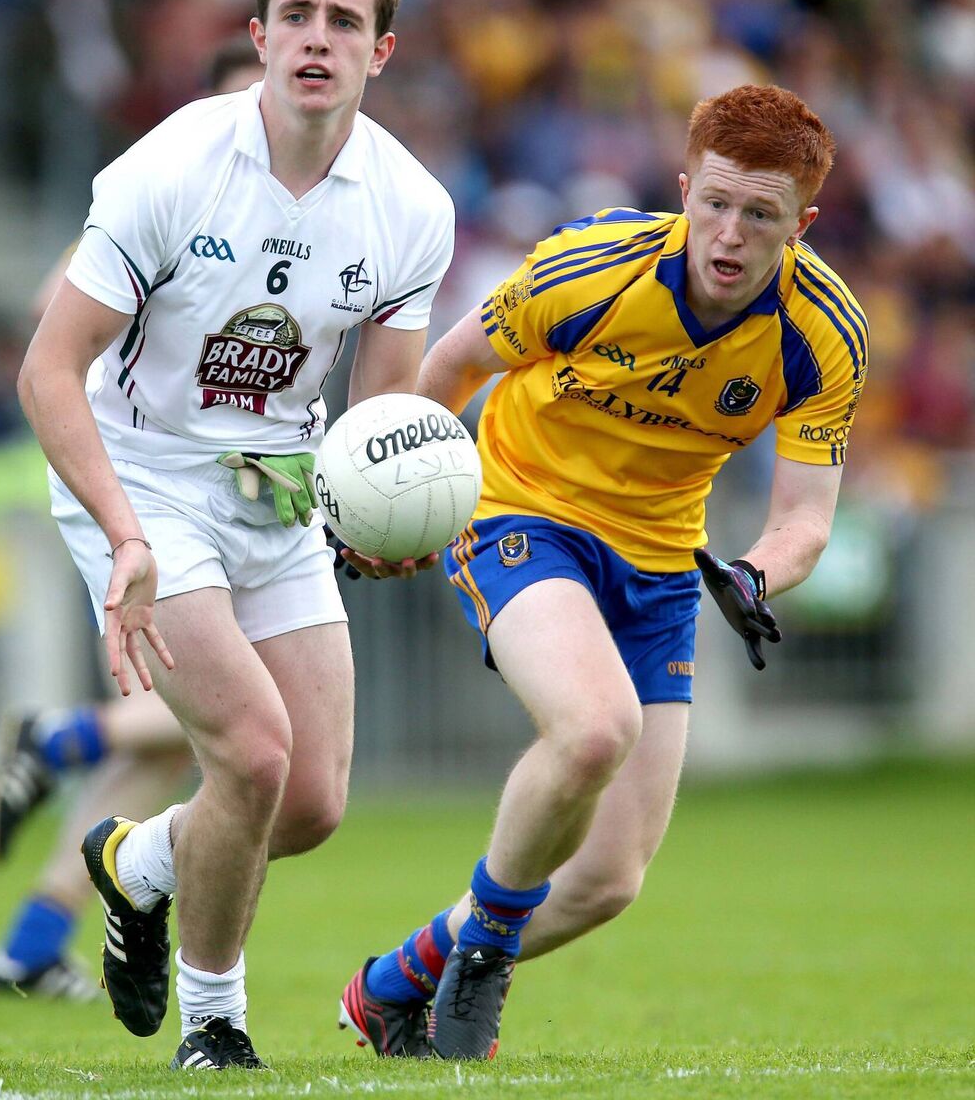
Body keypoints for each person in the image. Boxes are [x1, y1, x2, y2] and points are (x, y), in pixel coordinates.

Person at [336, 83, 868, 1059]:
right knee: (592, 731)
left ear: (803, 221)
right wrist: (393, 488)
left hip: (662, 563)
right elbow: (451, 364)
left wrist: (751, 575)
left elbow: (803, 519)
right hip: (518, 510)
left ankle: (392, 983)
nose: (729, 233)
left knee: (605, 881)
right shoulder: (589, 269)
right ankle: (485, 956)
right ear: (682, 187)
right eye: (713, 202)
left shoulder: (822, 332)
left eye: (760, 215)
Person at [16, 0, 452, 1070]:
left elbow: (379, 416)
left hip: (275, 485)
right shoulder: (168, 168)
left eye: (343, 21)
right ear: (258, 38)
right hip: (143, 475)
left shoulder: (410, 207)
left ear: (381, 51)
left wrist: (388, 513)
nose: (318, 40)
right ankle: (214, 1026)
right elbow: (46, 371)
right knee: (251, 757)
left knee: (305, 801)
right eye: (297, 17)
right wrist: (122, 536)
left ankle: (135, 863)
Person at [0, 34, 267, 1003]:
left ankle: (29, 943)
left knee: (197, 741)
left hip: (228, 489)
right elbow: (47, 312)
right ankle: (63, 738)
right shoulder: (168, 185)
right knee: (232, 726)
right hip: (131, 478)